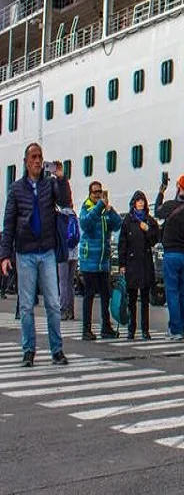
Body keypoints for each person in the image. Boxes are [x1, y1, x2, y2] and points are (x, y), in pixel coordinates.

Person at [0, 144, 72, 367]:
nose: (38, 161)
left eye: (40, 157)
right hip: (25, 252)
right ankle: (28, 350)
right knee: (26, 305)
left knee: (52, 302)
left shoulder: (50, 185)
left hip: (47, 250)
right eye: (33, 157)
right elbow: (9, 222)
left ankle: (57, 350)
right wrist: (4, 255)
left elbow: (64, 201)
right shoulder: (16, 189)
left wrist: (61, 178)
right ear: (25, 161)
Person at [155, 174, 184, 340]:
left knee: (172, 292)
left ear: (178, 187)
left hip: (171, 253)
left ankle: (175, 329)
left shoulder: (170, 206)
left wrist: (161, 192)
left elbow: (157, 211)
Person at [79, 180, 123, 340]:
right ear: (90, 194)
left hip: (103, 261)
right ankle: (86, 329)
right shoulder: (87, 208)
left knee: (106, 294)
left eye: (100, 191)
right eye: (95, 192)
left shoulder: (105, 211)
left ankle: (106, 327)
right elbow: (85, 223)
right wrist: (99, 207)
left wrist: (110, 210)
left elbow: (118, 224)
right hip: (89, 261)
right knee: (89, 295)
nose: (98, 194)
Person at [117, 191, 160, 340]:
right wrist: (121, 264)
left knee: (145, 300)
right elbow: (122, 243)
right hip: (132, 263)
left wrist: (147, 230)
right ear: (134, 203)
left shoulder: (149, 220)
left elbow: (155, 238)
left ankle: (145, 329)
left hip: (145, 262)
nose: (140, 203)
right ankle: (131, 328)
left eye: (142, 201)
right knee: (132, 299)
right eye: (138, 201)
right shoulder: (128, 221)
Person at [57, 206, 78, 321]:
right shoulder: (74, 215)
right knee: (70, 283)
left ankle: (63, 310)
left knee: (63, 283)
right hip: (74, 254)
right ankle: (71, 310)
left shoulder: (61, 214)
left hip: (63, 253)